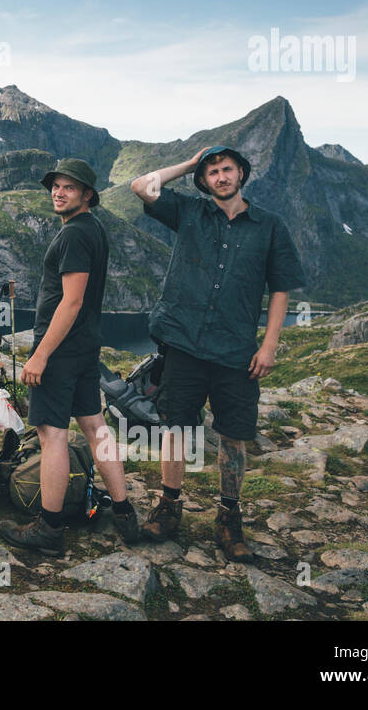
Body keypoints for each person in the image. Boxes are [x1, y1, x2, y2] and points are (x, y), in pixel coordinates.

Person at [129, 145, 305, 561]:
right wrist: (189, 162)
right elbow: (142, 186)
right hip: (185, 344)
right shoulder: (189, 212)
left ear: (241, 174)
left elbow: (280, 288)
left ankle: (228, 518)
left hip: (236, 351)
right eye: (211, 172)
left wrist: (269, 345)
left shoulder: (269, 226)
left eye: (227, 169)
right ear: (204, 181)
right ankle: (170, 506)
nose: (220, 177)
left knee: (234, 434)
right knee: (175, 426)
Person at [0, 159, 141, 555]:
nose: (58, 192)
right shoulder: (94, 228)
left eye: (69, 187)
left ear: (87, 195)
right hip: (84, 348)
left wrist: (41, 355)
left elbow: (72, 301)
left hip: (60, 352)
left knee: (52, 435)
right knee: (96, 427)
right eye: (55, 186)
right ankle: (125, 512)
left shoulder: (74, 235)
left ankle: (50, 528)